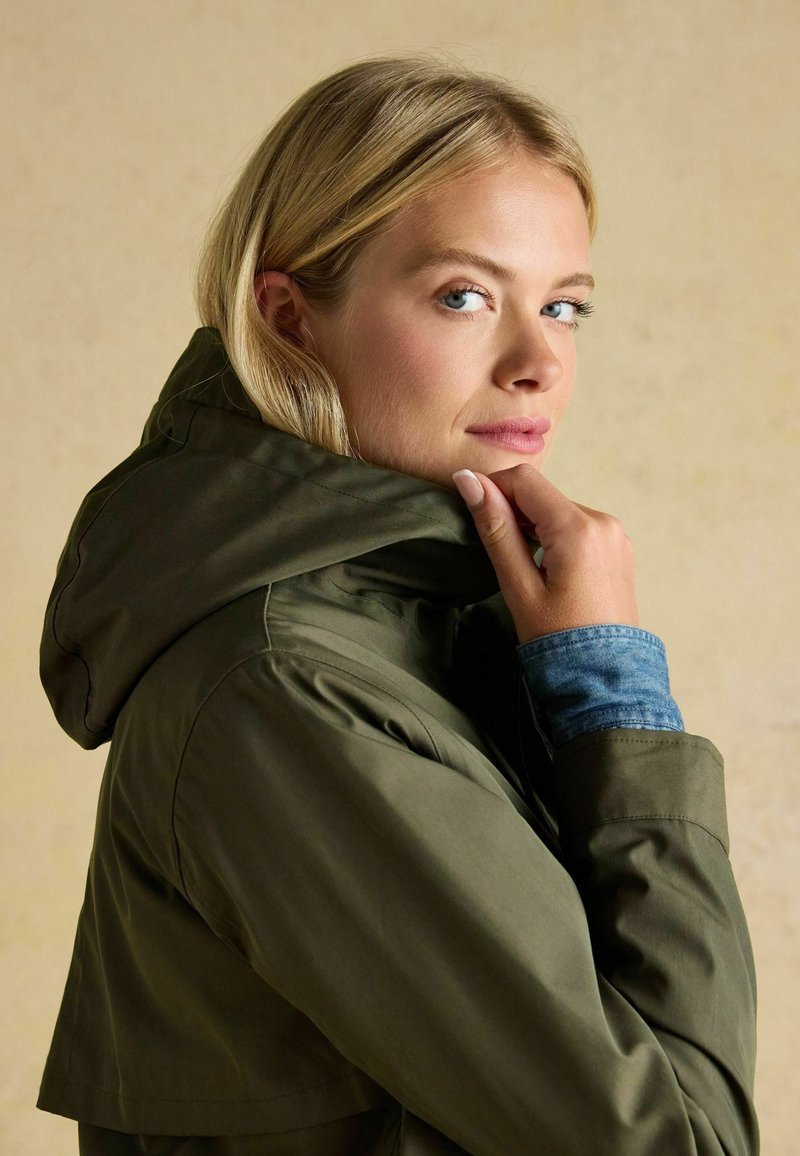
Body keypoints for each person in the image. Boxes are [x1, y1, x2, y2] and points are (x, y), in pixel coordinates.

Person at [37, 53, 759, 1156]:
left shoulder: (412, 628)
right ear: (289, 318)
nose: (538, 361)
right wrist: (613, 694)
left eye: (564, 306)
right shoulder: (289, 689)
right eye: (463, 295)